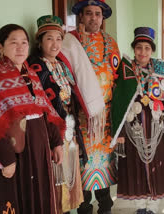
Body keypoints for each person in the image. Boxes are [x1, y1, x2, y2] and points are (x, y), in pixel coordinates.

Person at [0, 24, 65, 214]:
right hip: (14, 156)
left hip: (38, 151)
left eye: (24, 43)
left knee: (39, 200)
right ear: (0, 47)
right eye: (13, 43)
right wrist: (7, 159)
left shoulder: (31, 74)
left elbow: (45, 111)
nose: (20, 47)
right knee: (16, 200)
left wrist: (57, 142)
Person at [58, 0, 120, 213]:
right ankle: (84, 207)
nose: (94, 18)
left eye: (97, 14)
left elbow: (117, 75)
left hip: (106, 119)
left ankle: (105, 206)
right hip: (81, 118)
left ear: (103, 18)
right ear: (81, 17)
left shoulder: (111, 42)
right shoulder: (70, 41)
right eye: (89, 13)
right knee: (83, 165)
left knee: (104, 164)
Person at [110, 27, 164, 214]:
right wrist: (121, 133)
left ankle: (153, 207)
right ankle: (140, 206)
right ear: (134, 49)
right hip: (133, 129)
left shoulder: (161, 70)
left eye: (147, 48)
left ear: (152, 50)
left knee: (157, 167)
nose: (143, 52)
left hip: (158, 129)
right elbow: (119, 103)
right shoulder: (126, 70)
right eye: (139, 47)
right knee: (135, 167)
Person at [28, 15, 85, 213]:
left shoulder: (62, 66)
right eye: (49, 38)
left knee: (68, 179)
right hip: (51, 130)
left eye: (59, 38)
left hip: (69, 128)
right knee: (55, 179)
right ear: (40, 41)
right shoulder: (35, 68)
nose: (55, 44)